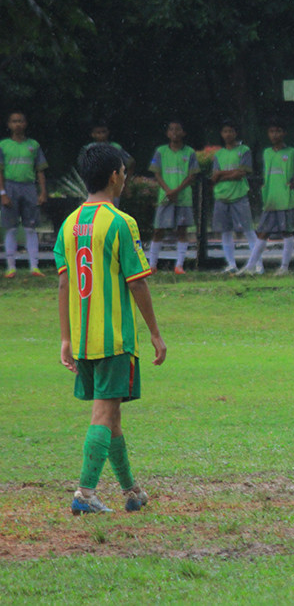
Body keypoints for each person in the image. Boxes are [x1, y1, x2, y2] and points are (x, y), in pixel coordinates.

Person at [54, 143, 166, 514]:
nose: (125, 178)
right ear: (115, 176)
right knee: (103, 414)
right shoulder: (121, 223)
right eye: (124, 172)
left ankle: (132, 491)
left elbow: (64, 283)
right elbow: (137, 282)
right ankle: (84, 494)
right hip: (115, 339)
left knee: (111, 414)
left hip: (84, 339)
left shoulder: (69, 225)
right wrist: (155, 333)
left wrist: (66, 338)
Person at [241, 119, 294, 275]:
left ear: (284, 133)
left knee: (286, 232)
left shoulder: (292, 153)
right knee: (263, 232)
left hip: (285, 200)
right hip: (270, 200)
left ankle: (284, 267)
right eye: (272, 131)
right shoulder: (266, 153)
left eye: (278, 131)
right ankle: (250, 267)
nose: (275, 135)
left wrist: (292, 185)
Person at [1, 110, 48, 277]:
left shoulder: (33, 145)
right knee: (11, 228)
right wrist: (2, 193)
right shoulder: (3, 145)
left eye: (20, 121)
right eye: (14, 121)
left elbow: (40, 170)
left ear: (25, 124)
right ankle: (11, 267)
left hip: (29, 187)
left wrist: (42, 191)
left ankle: (34, 266)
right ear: (9, 124)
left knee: (30, 228)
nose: (18, 124)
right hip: (10, 186)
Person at [148, 120, 198, 274]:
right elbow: (157, 173)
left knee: (182, 230)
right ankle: (152, 265)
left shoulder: (189, 152)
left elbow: (192, 175)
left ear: (184, 132)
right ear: (167, 133)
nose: (175, 132)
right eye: (171, 129)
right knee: (158, 230)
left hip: (183, 198)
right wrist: (168, 191)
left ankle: (179, 265)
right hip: (165, 197)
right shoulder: (161, 151)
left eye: (178, 129)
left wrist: (176, 190)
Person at [211, 120, 259, 274]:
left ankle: (258, 265)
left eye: (231, 131)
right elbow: (214, 177)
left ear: (235, 133)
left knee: (248, 230)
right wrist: (229, 174)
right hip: (221, 196)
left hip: (239, 195)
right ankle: (231, 264)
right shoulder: (219, 154)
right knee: (225, 231)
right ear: (221, 134)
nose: (228, 134)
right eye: (225, 131)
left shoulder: (244, 150)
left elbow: (241, 173)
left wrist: (221, 174)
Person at [80, 120, 136, 206]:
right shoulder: (89, 149)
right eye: (98, 133)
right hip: (93, 186)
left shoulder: (115, 147)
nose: (101, 135)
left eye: (104, 132)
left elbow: (131, 163)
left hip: (111, 185)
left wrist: (125, 183)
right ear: (92, 134)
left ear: (108, 132)